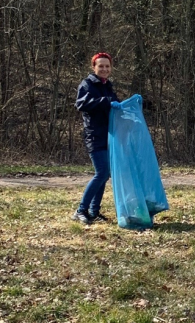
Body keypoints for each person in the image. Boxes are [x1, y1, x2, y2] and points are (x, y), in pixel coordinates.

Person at [72, 52, 122, 224]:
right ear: (94, 67)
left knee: (104, 174)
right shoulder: (87, 84)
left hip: (109, 136)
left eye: (107, 66)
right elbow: (81, 104)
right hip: (94, 136)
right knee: (102, 173)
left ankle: (93, 212)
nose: (104, 69)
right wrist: (105, 101)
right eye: (101, 66)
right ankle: (81, 210)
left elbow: (114, 106)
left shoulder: (108, 86)